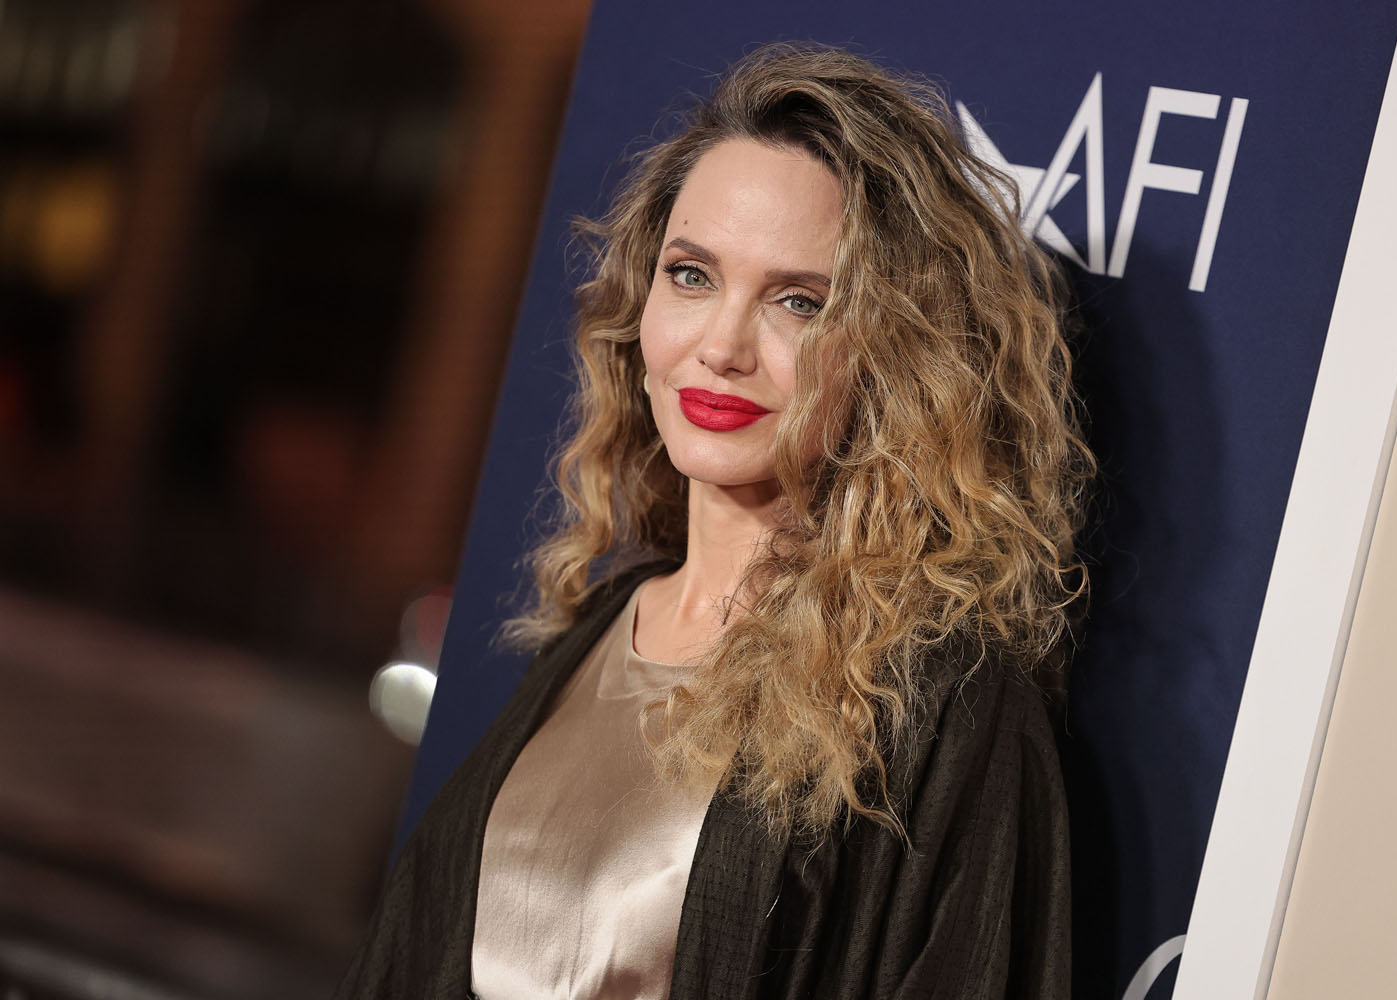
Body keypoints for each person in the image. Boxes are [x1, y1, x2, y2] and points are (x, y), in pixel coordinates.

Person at [335, 40, 1094, 1000]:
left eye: (799, 302)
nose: (723, 346)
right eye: (692, 276)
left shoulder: (943, 703)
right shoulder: (594, 630)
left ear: (897, 351)